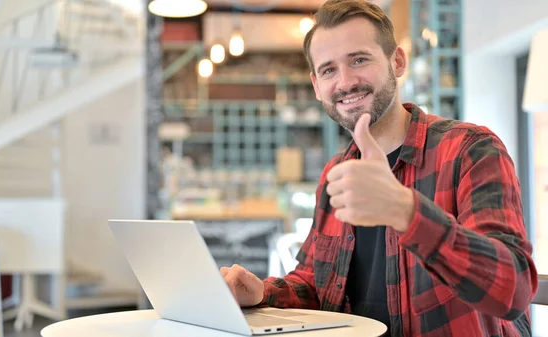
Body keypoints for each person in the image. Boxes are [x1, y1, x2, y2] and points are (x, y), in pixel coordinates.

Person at [220, 0, 539, 336]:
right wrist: (262, 293)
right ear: (316, 86)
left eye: (359, 59)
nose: (345, 82)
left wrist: (405, 210)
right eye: (329, 70)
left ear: (397, 62)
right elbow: (318, 284)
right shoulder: (337, 172)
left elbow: (514, 290)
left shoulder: (467, 150)